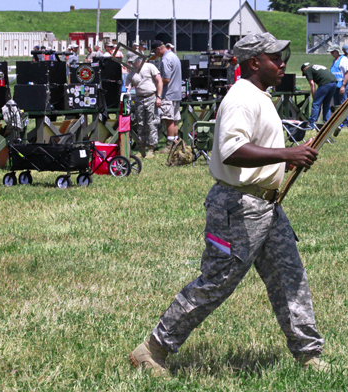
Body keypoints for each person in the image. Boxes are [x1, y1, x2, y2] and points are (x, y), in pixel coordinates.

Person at [129, 32, 333, 377]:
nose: (283, 63)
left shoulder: (259, 95)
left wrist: (287, 158)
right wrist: (287, 153)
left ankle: (309, 357)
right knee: (217, 281)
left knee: (290, 280)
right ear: (255, 62)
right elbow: (231, 151)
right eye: (275, 58)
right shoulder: (241, 97)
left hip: (267, 206)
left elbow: (257, 147)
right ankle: (152, 349)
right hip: (238, 207)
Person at [125, 53, 163, 158]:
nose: (132, 64)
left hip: (151, 97)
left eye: (133, 62)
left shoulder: (149, 67)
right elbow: (127, 84)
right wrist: (128, 88)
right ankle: (141, 148)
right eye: (130, 62)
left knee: (152, 123)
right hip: (139, 99)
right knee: (140, 124)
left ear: (139, 59)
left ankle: (151, 149)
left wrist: (158, 97)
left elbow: (159, 81)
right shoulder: (131, 73)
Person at [152, 40, 182, 154]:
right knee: (174, 120)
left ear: (159, 49)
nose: (155, 55)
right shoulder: (173, 56)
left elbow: (166, 79)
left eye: (155, 52)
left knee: (169, 120)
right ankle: (176, 143)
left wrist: (156, 82)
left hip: (168, 93)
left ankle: (169, 146)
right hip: (176, 93)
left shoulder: (165, 59)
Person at [301, 62, 337, 127]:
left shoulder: (307, 70)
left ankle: (311, 123)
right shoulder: (316, 66)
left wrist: (314, 96)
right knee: (326, 104)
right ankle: (327, 123)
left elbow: (312, 84)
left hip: (325, 83)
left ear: (304, 69)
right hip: (334, 82)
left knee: (316, 104)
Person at [328, 44, 348, 129]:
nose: (331, 53)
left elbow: (347, 73)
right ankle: (338, 122)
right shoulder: (335, 60)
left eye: (332, 52)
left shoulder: (344, 59)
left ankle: (345, 123)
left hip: (342, 85)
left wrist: (343, 86)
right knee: (337, 105)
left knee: (343, 104)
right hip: (335, 86)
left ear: (337, 51)